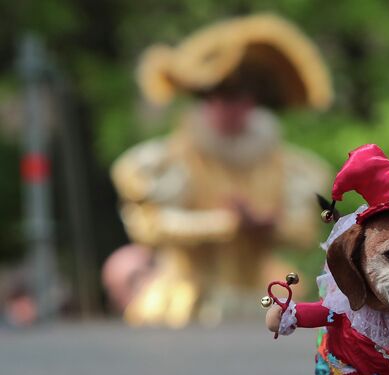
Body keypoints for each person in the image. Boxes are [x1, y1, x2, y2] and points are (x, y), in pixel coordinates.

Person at [110, 14, 333, 327]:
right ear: (205, 101)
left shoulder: (289, 165)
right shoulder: (166, 161)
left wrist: (268, 225)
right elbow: (149, 226)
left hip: (264, 300)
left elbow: (304, 232)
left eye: (243, 98)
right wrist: (225, 223)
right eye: (222, 97)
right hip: (185, 305)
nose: (233, 108)